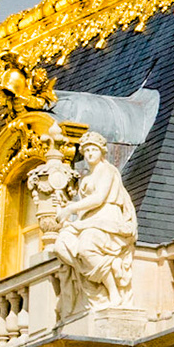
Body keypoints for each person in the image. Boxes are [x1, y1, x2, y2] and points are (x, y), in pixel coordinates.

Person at [49, 130, 138, 308]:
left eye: (94, 150)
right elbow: (85, 209)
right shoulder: (86, 178)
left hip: (107, 218)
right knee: (61, 245)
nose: (90, 153)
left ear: (102, 151)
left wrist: (70, 208)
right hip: (90, 220)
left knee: (85, 247)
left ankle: (112, 290)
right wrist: (69, 217)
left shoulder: (108, 170)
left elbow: (99, 198)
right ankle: (90, 280)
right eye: (87, 150)